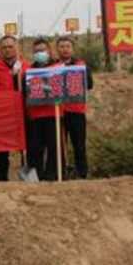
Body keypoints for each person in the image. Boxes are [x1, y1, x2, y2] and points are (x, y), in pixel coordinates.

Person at [56, 36, 93, 179]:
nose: (65, 49)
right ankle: (61, 173)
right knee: (60, 145)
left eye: (67, 46)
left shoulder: (81, 65)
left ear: (72, 49)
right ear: (57, 49)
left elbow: (89, 84)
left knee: (79, 144)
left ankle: (82, 173)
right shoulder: (53, 65)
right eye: (62, 46)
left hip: (77, 111)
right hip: (58, 112)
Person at [0, 35, 27, 181]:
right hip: (3, 114)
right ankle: (1, 177)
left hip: (23, 111)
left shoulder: (25, 66)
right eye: (4, 47)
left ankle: (27, 175)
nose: (7, 49)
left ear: (16, 47)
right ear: (0, 50)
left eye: (10, 46)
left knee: (25, 145)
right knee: (2, 148)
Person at [25, 39, 58, 181]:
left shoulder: (57, 68)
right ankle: (36, 177)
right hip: (35, 115)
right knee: (35, 148)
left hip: (53, 113)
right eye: (37, 51)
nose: (40, 53)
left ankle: (52, 176)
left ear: (49, 51)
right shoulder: (29, 70)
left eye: (43, 50)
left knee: (53, 147)